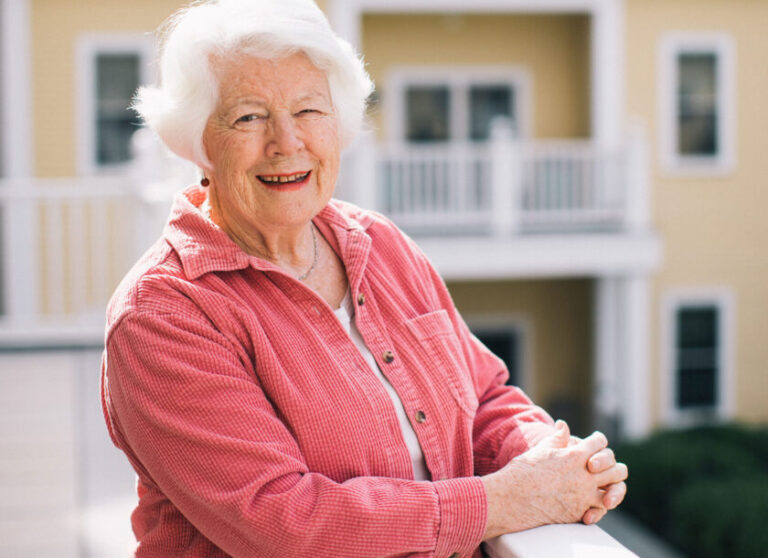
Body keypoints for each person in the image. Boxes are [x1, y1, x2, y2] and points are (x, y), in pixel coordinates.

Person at [100, 0, 628, 556]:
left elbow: (485, 397)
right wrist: (509, 500)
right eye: (249, 116)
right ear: (197, 141)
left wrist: (553, 457)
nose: (287, 141)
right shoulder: (162, 314)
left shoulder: (379, 244)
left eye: (309, 110)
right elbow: (284, 521)